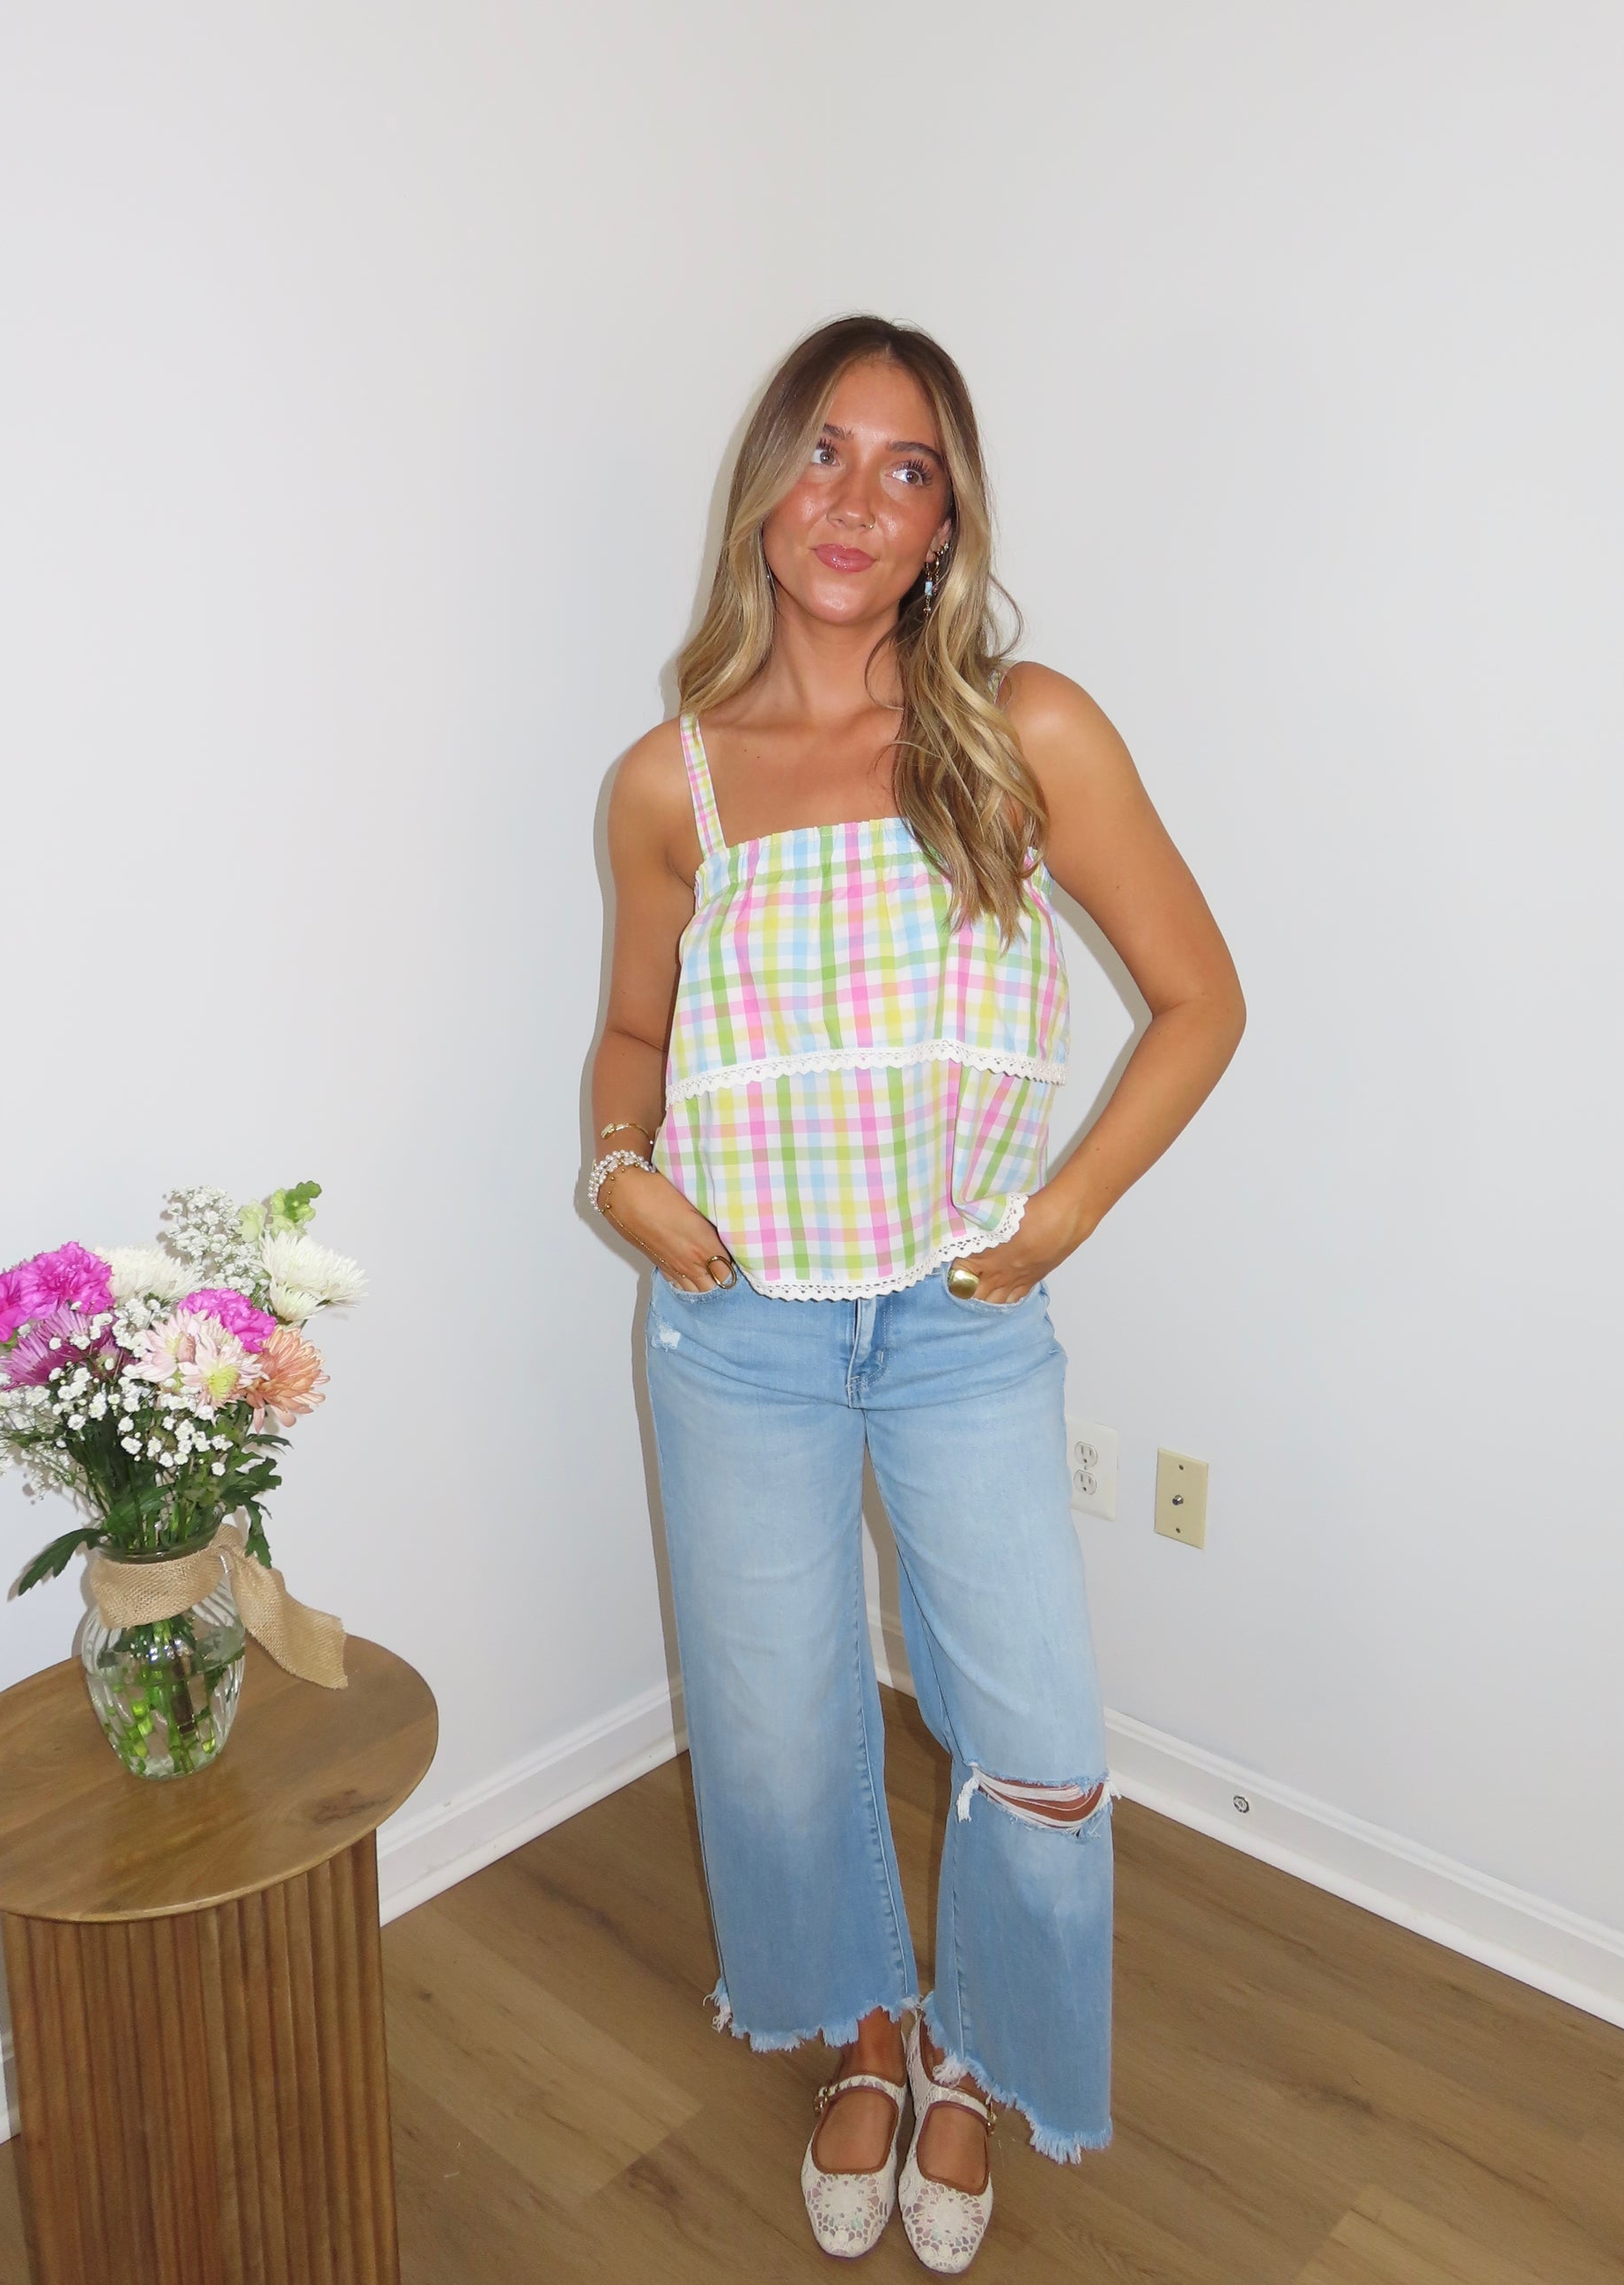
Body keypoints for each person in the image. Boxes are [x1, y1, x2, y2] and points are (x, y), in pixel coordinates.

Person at [587, 314, 1245, 2272]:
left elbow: (1200, 1001)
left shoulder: (1019, 729)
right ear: (761, 484)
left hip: (958, 1321)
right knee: (777, 1733)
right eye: (823, 450)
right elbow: (635, 1031)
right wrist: (619, 1171)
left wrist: (1059, 1220)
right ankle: (869, 2030)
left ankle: (981, 2051)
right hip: (739, 1332)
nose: (855, 500)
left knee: (1034, 1738)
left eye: (906, 467)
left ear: (947, 520)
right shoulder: (669, 784)